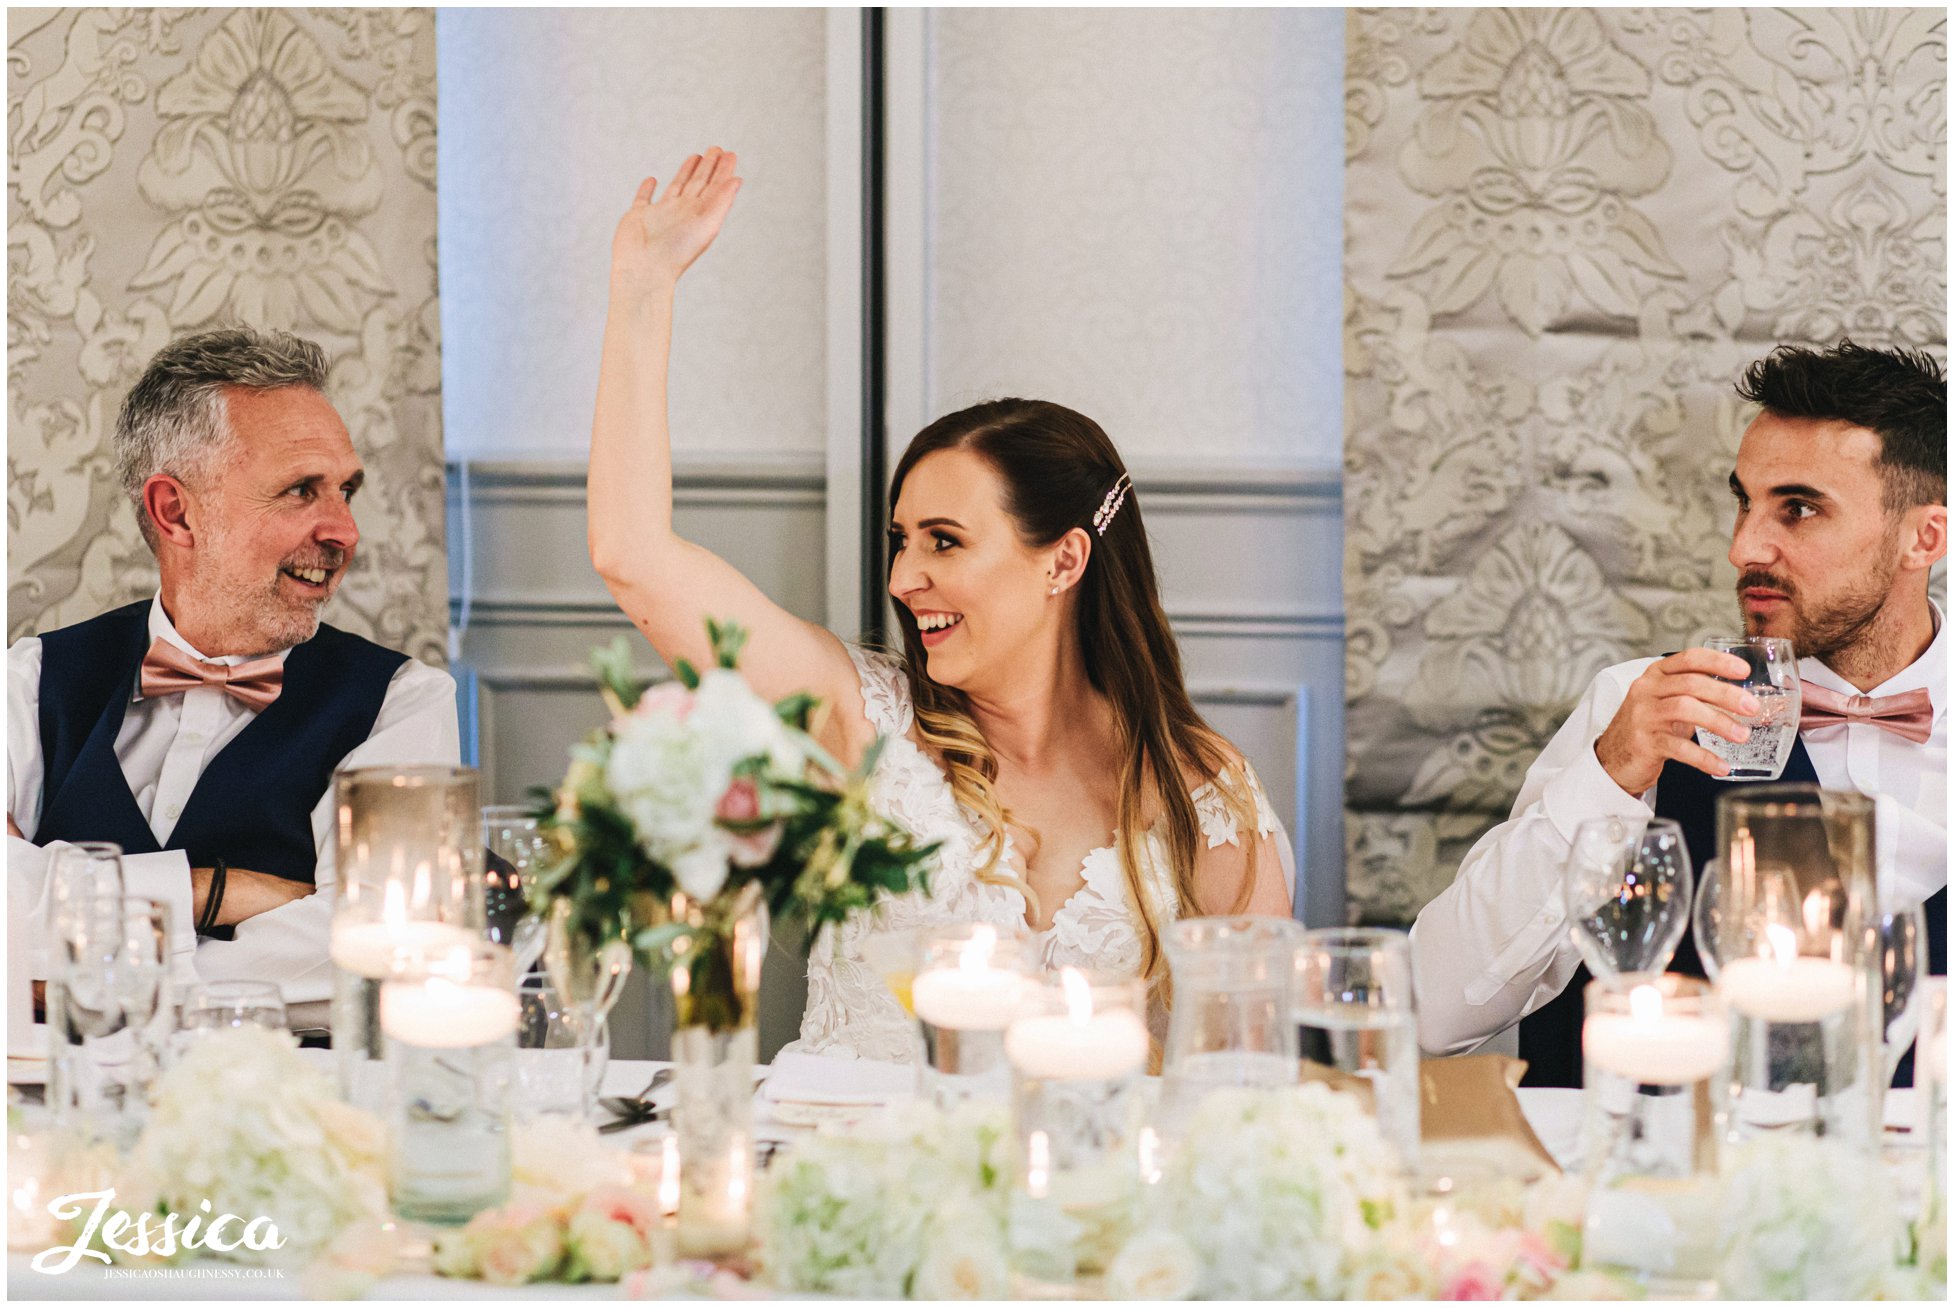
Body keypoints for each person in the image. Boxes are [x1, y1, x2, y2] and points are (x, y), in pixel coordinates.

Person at [587, 149, 1295, 1060]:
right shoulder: (859, 720)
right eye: (901, 540)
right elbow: (633, 555)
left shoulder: (1203, 790)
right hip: (848, 1183)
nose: (901, 578)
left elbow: (1248, 1079)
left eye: (944, 541)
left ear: (1064, 559)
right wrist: (643, 285)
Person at [1412, 340, 1947, 1086]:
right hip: (1667, 1186)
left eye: (1797, 509)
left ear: (1925, 537)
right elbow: (1436, 1011)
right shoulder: (1640, 707)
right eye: (1744, 502)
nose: (1743, 548)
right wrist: (1609, 776)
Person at [8, 327, 460, 1012]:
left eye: (346, 490)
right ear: (176, 511)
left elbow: (385, 947)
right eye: (301, 491)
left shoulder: (402, 706)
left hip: (288, 1108)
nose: (344, 531)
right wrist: (211, 892)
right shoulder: (32, 678)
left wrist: (68, 973)